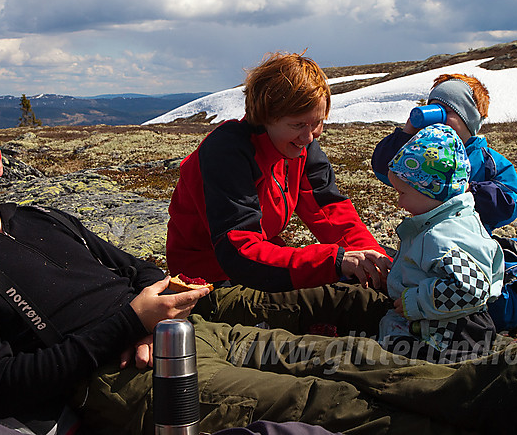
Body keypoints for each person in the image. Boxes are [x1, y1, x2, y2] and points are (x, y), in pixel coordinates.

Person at [0, 102, 517, 435]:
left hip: (183, 324)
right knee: (330, 402)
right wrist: (129, 322)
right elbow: (2, 383)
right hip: (119, 375)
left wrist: (166, 298)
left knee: (364, 357)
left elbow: (134, 264)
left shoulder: (44, 216)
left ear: (0, 157)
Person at [166, 52, 392, 335]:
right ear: (266, 116)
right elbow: (239, 252)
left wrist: (376, 262)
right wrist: (334, 261)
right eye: (298, 125)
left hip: (262, 268)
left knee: (372, 285)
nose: (309, 137)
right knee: (354, 304)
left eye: (317, 123)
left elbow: (331, 212)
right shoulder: (228, 152)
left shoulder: (300, 147)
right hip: (210, 286)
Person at [377, 124, 503, 362]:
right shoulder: (450, 221)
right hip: (446, 324)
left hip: (448, 336)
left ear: (429, 192)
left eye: (402, 193)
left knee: (394, 358)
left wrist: (415, 301)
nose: (399, 203)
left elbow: (471, 289)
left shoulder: (443, 236)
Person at [371, 73, 517, 232]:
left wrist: (467, 190)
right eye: (432, 109)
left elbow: (513, 202)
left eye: (446, 111)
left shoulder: (488, 161)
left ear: (469, 118)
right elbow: (383, 170)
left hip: (470, 237)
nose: (437, 118)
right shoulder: (422, 149)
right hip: (424, 234)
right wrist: (406, 135)